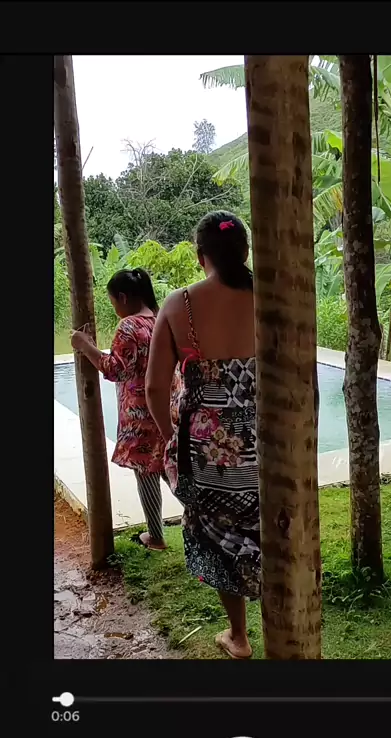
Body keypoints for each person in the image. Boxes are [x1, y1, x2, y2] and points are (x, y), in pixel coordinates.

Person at [146, 211, 259, 660]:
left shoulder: (180, 305)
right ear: (245, 252)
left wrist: (171, 438)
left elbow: (155, 388)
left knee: (219, 533)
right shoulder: (272, 296)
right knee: (274, 526)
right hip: (269, 437)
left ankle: (239, 636)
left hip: (208, 450)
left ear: (200, 257)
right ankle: (285, 616)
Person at [70, 268, 168, 551]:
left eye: (113, 302)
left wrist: (85, 346)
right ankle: (202, 522)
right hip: (166, 407)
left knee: (145, 472)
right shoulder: (158, 319)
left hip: (141, 413)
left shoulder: (129, 326)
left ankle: (156, 536)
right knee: (169, 469)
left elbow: (115, 369)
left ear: (123, 298)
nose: (115, 309)